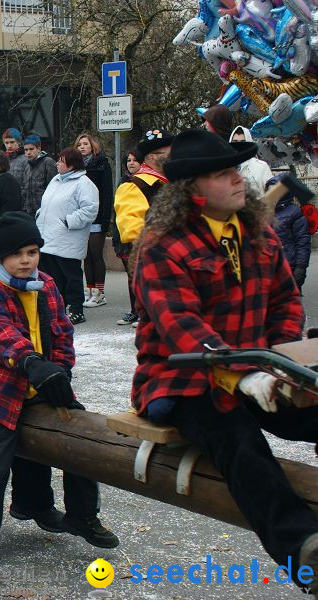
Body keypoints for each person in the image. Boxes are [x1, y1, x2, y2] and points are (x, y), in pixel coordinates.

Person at [132, 128, 318, 593]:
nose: (238, 180)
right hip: (181, 380)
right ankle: (305, 551)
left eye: (236, 169)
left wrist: (281, 362)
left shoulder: (256, 233)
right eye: (222, 173)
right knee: (240, 441)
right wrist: (243, 372)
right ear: (191, 187)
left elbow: (285, 303)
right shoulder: (162, 244)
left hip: (260, 368)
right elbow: (181, 327)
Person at [0, 211, 118, 581]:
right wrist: (33, 362)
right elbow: (0, 337)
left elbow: (63, 332)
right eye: (17, 254)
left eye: (32, 252)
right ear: (0, 258)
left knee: (81, 440)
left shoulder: (45, 284)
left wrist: (60, 369)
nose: (26, 261)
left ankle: (81, 514)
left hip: (43, 382)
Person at [114, 129, 173, 327]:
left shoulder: (174, 182)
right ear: (151, 157)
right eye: (168, 153)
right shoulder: (134, 186)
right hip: (156, 266)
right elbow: (132, 230)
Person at [35, 148, 99, 325]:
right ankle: (57, 309)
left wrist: (68, 221)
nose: (57, 163)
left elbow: (90, 210)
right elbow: (48, 204)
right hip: (48, 238)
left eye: (61, 161)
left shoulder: (84, 183)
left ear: (71, 165)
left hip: (68, 239)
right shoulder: (56, 180)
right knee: (52, 277)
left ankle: (77, 310)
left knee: (71, 276)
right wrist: (40, 215)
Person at [75, 132, 113, 309]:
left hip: (98, 216)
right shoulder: (75, 167)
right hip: (82, 217)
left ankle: (100, 292)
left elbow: (107, 192)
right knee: (86, 256)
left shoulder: (101, 164)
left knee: (96, 254)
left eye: (85, 144)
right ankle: (89, 290)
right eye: (79, 145)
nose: (82, 147)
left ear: (92, 146)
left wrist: (106, 218)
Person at [268, 174, 312, 291]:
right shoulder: (265, 213)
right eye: (270, 189)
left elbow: (303, 241)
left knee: (291, 304)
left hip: (289, 266)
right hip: (270, 267)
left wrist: (301, 267)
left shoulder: (295, 213)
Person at [21, 134, 58, 217]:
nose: (28, 152)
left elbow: (54, 188)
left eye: (31, 149)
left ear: (39, 149)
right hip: (29, 212)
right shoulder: (27, 166)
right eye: (26, 150)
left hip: (45, 211)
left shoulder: (48, 162)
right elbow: (25, 190)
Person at [229, 126, 272, 194]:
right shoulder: (225, 168)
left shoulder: (261, 167)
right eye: (235, 142)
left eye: (243, 142)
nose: (239, 146)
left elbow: (272, 194)